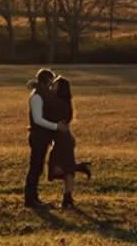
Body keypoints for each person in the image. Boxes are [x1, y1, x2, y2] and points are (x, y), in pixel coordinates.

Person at [43, 73, 93, 209]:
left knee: (61, 169)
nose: (52, 86)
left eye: (55, 84)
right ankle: (79, 169)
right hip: (62, 140)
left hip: (63, 141)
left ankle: (67, 198)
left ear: (61, 89)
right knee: (61, 168)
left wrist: (37, 86)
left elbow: (47, 98)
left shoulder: (60, 103)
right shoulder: (62, 102)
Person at [23, 67, 62, 208]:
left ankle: (33, 198)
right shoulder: (37, 97)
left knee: (37, 167)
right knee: (35, 168)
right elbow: (38, 119)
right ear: (47, 81)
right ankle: (30, 199)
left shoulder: (40, 93)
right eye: (51, 82)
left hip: (41, 136)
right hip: (38, 136)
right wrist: (56, 127)